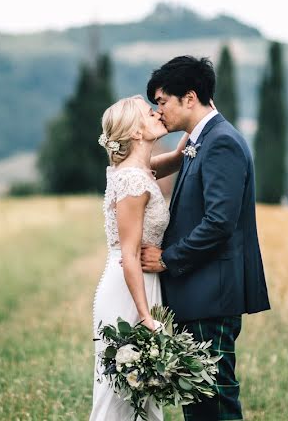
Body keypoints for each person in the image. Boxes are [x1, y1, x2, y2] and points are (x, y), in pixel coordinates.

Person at [140, 55, 271, 421]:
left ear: (190, 97)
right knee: (201, 405)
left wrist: (168, 258)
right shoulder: (202, 141)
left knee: (214, 404)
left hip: (210, 296)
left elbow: (218, 222)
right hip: (202, 295)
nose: (158, 110)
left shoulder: (221, 142)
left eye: (162, 101)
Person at [90, 95, 187, 421]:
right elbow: (129, 255)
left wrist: (196, 117)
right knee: (119, 395)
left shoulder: (139, 169)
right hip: (129, 290)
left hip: (143, 285)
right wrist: (146, 316)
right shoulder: (132, 180)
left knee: (143, 393)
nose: (158, 112)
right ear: (135, 132)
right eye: (150, 113)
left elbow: (177, 157)